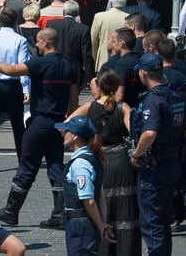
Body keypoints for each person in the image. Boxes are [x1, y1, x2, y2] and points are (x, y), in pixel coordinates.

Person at [0, 28, 77, 230]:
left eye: (38, 42)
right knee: (56, 167)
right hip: (58, 122)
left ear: (45, 42)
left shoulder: (40, 63)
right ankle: (60, 213)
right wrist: (69, 121)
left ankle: (11, 211)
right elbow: (74, 98)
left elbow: (9, 71)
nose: (37, 45)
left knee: (27, 165)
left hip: (40, 121)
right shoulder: (69, 66)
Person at [67, 68, 140, 255]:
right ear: (116, 87)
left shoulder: (89, 107)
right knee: (125, 211)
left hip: (98, 159)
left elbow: (68, 123)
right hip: (121, 162)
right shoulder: (122, 107)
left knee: (101, 205)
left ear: (98, 85)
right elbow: (134, 134)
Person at [129, 52, 185, 254]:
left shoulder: (154, 100)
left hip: (155, 167)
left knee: (152, 223)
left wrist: (136, 156)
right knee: (163, 222)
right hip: (172, 161)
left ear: (144, 73)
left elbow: (149, 132)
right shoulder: (175, 93)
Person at [56, 116, 115, 256]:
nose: (63, 133)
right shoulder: (93, 158)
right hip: (87, 221)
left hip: (80, 223)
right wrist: (102, 222)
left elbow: (88, 200)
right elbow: (100, 194)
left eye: (66, 131)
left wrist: (101, 225)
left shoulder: (80, 164)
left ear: (75, 136)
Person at [0, 7, 30, 174]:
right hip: (12, 84)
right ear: (16, 21)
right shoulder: (20, 40)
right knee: (18, 124)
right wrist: (26, 88)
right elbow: (22, 65)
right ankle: (22, 160)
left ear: (0, 20)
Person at [46, 0, 94, 95]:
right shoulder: (83, 29)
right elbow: (86, 54)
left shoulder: (52, 24)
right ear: (77, 13)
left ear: (63, 12)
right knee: (72, 99)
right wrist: (90, 77)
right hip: (74, 69)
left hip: (54, 66)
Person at [91, 0, 129, 71]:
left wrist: (94, 59)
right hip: (123, 61)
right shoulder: (129, 18)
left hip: (103, 59)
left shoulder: (99, 16)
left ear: (111, 3)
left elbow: (93, 41)